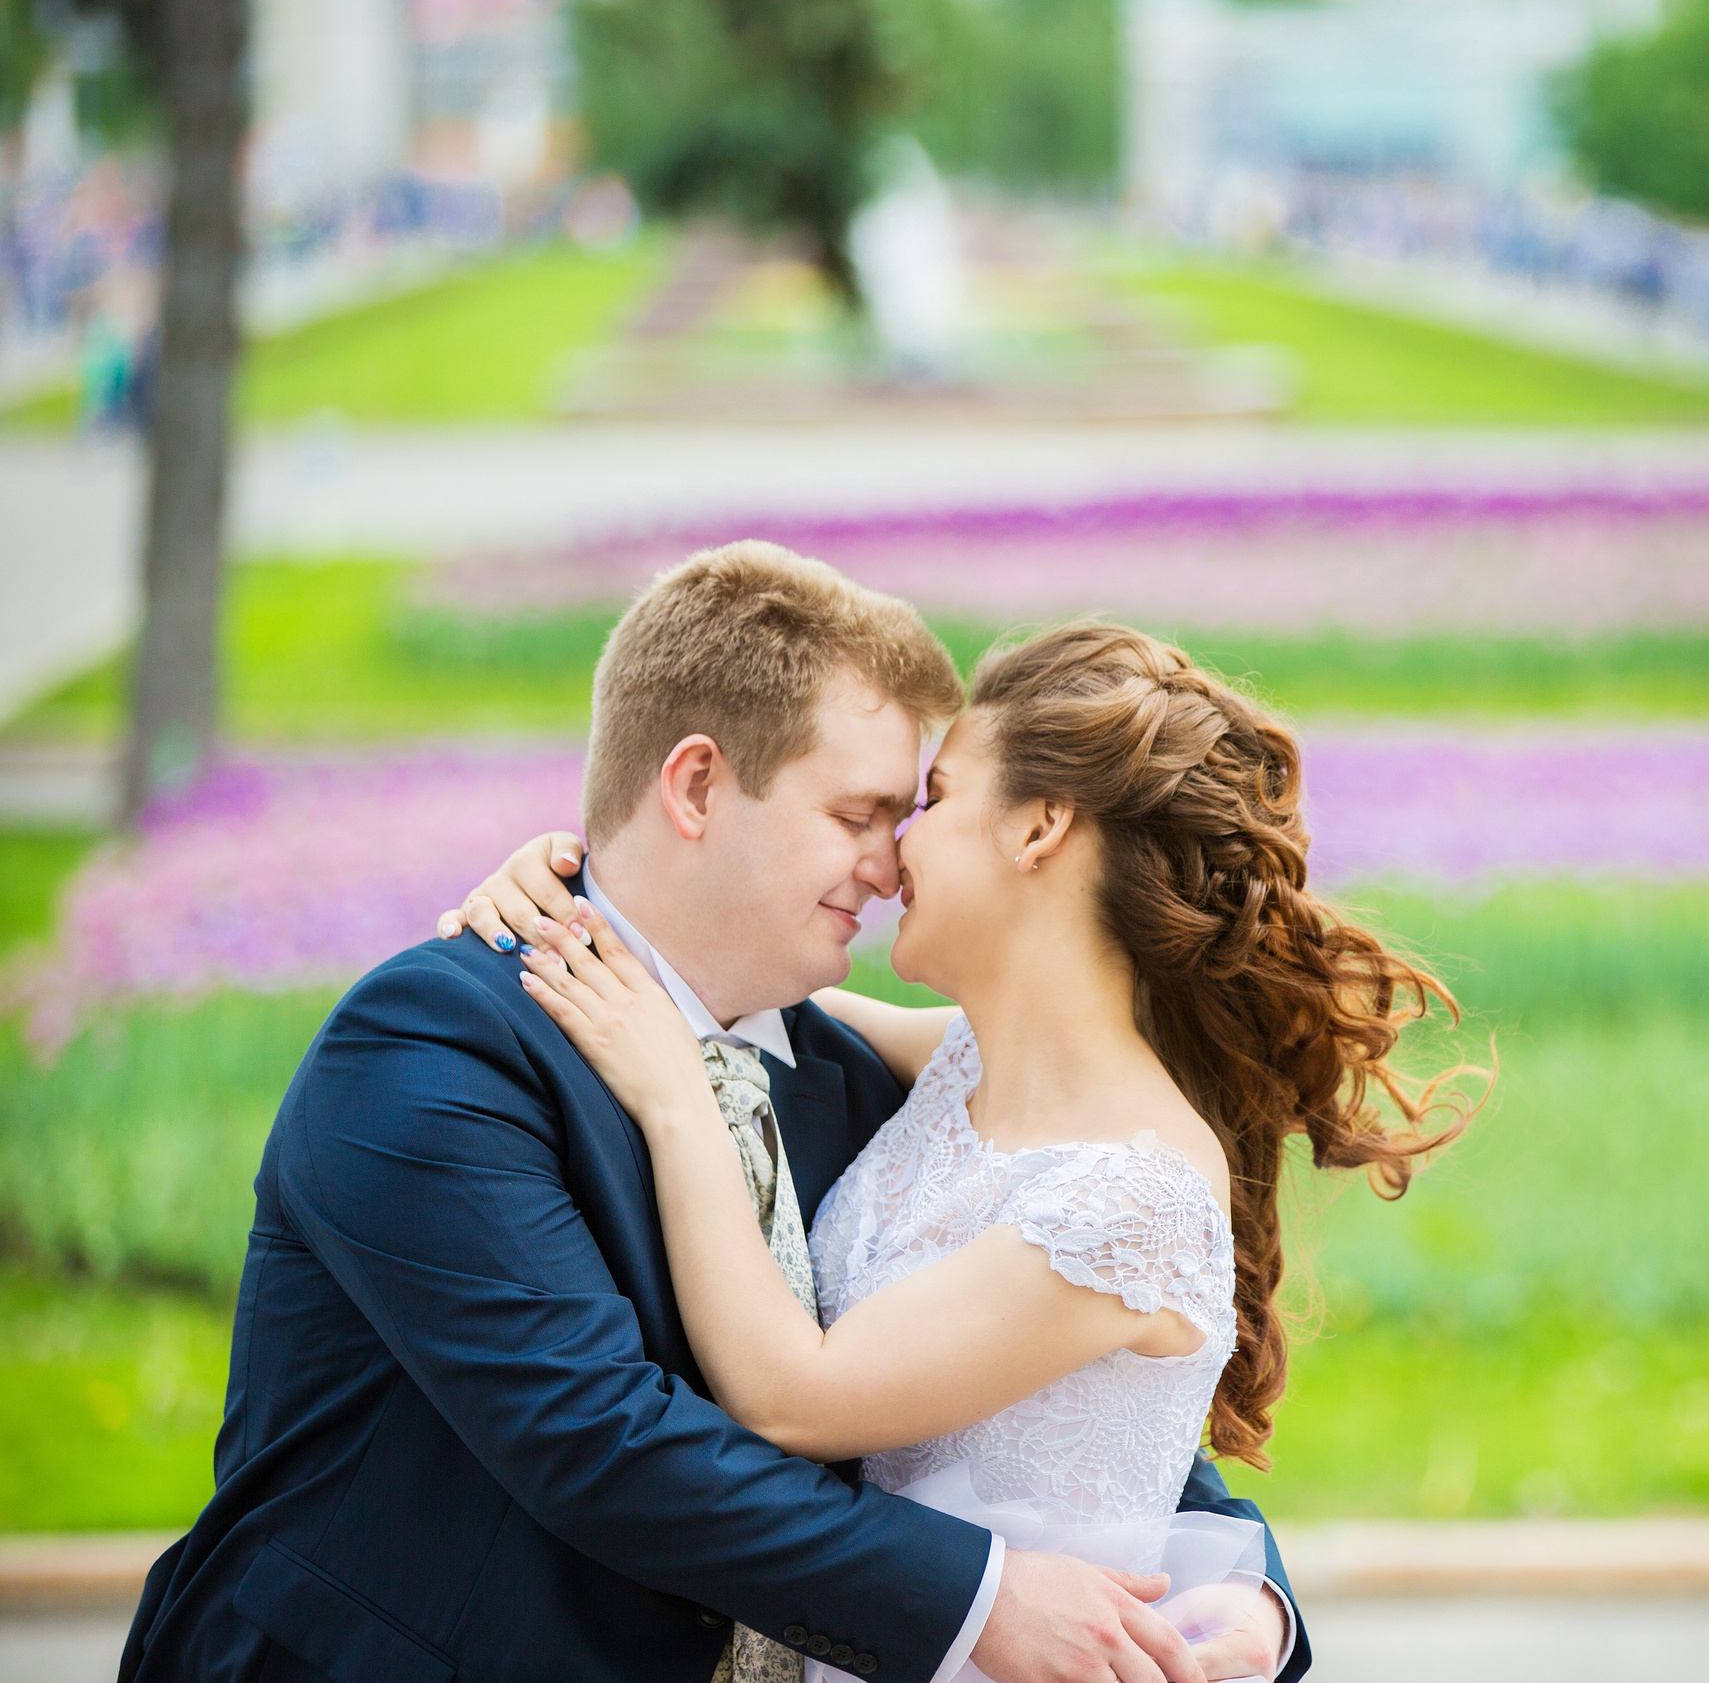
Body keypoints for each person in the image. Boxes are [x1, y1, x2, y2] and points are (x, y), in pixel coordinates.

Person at [122, 545, 1305, 1683]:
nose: (890, 868)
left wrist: (1244, 1593)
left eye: (910, 813)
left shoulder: (842, 1072)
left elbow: (1033, 1388)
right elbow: (600, 1438)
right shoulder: (442, 1043)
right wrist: (982, 1600)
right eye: (857, 816)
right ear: (694, 786)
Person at [447, 617, 1483, 1682]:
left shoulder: (1132, 1195)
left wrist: (674, 1104)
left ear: (1039, 828)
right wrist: (580, 887)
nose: (895, 848)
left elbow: (793, 1396)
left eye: (935, 799)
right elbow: (705, 982)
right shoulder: (958, 1065)